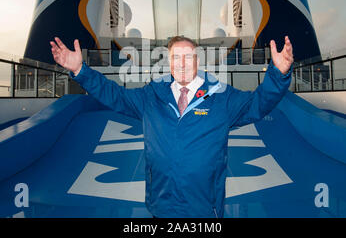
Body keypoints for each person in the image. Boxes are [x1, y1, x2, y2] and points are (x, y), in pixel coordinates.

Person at [50, 35, 294, 218]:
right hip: (161, 205)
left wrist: (278, 75)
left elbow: (258, 104)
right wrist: (80, 71)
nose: (182, 63)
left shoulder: (222, 97)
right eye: (176, 57)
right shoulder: (151, 96)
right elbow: (114, 95)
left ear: (197, 60)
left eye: (188, 56)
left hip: (204, 209)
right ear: (169, 61)